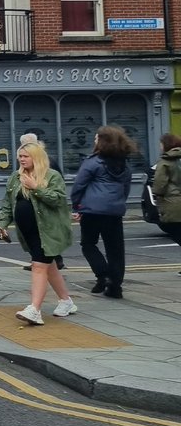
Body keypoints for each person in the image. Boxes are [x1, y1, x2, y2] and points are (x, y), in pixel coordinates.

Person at [0, 143, 77, 326]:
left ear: (36, 157)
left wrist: (35, 187)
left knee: (38, 266)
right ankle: (66, 301)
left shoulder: (52, 176)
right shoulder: (15, 177)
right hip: (28, 232)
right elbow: (7, 204)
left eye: (26, 156)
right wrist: (2, 225)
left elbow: (57, 200)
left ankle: (35, 310)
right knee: (50, 266)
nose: (21, 159)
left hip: (48, 231)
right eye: (20, 156)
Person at [71, 125, 134, 298]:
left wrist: (76, 205)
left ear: (103, 141)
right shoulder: (124, 164)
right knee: (115, 250)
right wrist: (118, 203)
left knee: (88, 244)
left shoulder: (93, 162)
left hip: (92, 211)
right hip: (114, 212)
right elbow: (126, 189)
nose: (94, 140)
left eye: (96, 138)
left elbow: (79, 186)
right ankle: (115, 287)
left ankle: (103, 274)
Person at [19, 132, 66, 271]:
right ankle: (46, 261)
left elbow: (58, 186)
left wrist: (37, 188)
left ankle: (46, 261)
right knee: (38, 237)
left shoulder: (47, 161)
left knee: (45, 235)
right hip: (33, 205)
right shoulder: (26, 162)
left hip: (44, 205)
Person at [151, 133, 181, 257]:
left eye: (161, 143)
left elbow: (159, 185)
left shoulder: (165, 162)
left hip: (172, 203)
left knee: (175, 231)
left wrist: (156, 193)